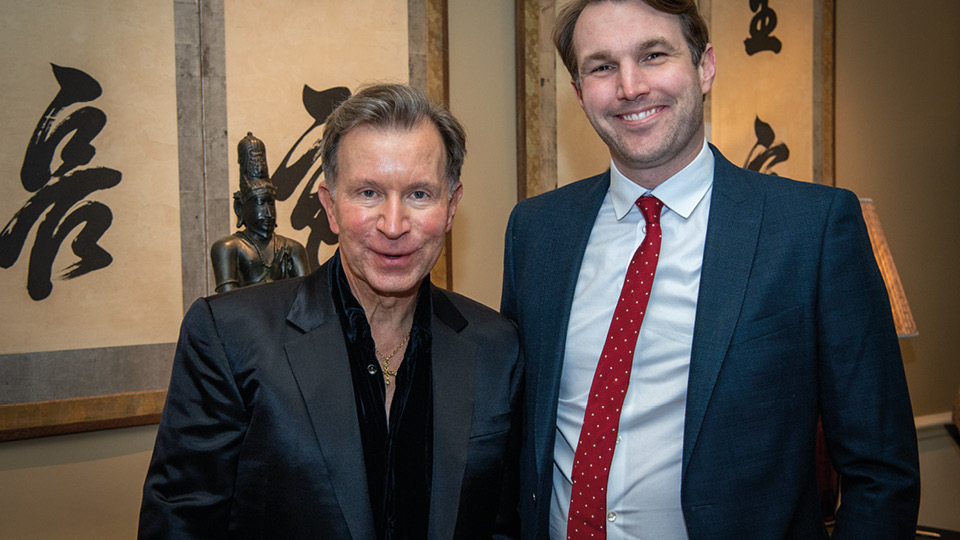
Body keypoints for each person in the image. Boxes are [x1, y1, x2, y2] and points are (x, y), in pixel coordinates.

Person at [500, 1, 920, 539]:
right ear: (580, 91)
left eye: (653, 55)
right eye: (601, 67)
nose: (630, 86)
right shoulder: (536, 232)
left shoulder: (812, 229)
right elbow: (516, 447)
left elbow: (881, 471)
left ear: (705, 67)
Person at [140, 84, 522, 539]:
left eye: (420, 194)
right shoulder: (229, 337)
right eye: (368, 193)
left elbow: (504, 525)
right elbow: (181, 525)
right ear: (330, 207)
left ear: (452, 205)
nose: (394, 225)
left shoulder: (496, 346)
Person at [210, 132, 309, 293]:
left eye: (271, 204)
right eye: (259, 204)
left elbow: (306, 297)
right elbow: (228, 302)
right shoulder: (228, 248)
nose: (268, 213)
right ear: (240, 208)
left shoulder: (292, 248)